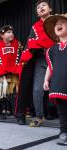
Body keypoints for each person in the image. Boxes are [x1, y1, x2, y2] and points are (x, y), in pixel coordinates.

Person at [17, 0, 54, 126]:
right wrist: (45, 45)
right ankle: (39, 116)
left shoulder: (59, 21)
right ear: (37, 14)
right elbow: (31, 43)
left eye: (43, 5)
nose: (41, 8)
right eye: (38, 7)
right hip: (41, 59)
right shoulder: (35, 26)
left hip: (59, 57)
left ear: (50, 9)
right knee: (37, 89)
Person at [44, 13, 67, 145]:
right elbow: (50, 66)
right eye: (56, 24)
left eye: (62, 22)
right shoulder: (52, 50)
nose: (58, 25)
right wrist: (46, 80)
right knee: (62, 111)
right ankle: (63, 132)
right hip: (58, 83)